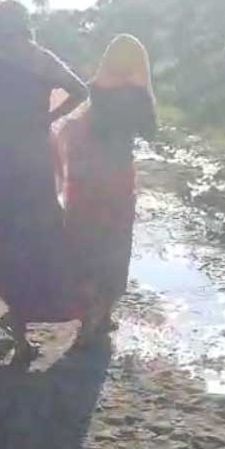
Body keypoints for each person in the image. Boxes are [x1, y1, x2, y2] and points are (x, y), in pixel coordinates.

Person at [0, 0, 89, 363]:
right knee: (41, 239)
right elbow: (81, 91)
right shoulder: (41, 58)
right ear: (26, 25)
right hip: (34, 163)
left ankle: (20, 330)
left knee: (4, 242)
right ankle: (40, 314)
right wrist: (47, 117)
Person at [53, 34, 157, 345]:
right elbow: (151, 133)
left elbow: (68, 127)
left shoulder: (91, 90)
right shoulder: (137, 94)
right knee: (114, 243)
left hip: (85, 179)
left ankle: (90, 314)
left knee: (84, 243)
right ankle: (103, 313)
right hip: (117, 178)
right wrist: (145, 88)